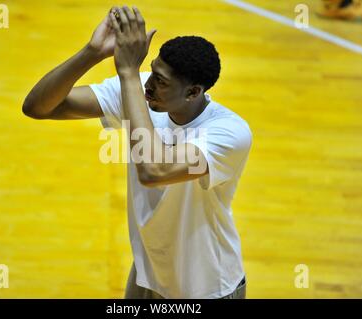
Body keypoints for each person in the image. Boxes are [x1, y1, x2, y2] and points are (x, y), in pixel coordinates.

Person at [22, 6, 252, 299]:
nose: (148, 84)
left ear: (193, 92)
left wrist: (128, 73)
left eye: (162, 81)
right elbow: (39, 107)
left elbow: (153, 171)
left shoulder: (229, 133)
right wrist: (91, 53)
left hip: (207, 289)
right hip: (148, 277)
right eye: (151, 72)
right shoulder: (139, 90)